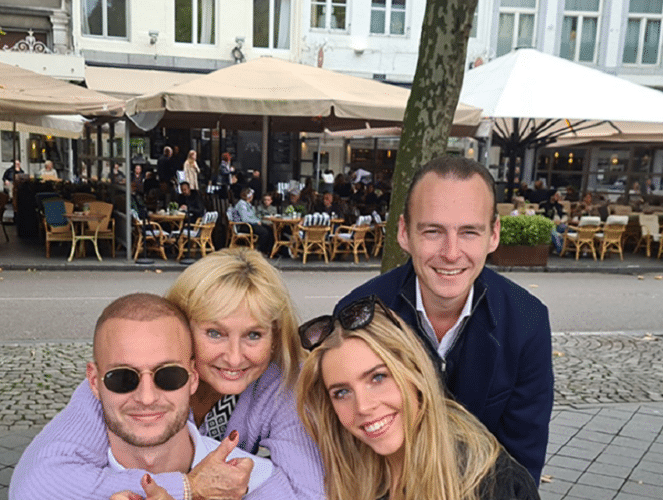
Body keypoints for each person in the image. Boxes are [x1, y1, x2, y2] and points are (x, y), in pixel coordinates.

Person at [13, 251, 324, 500]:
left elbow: (309, 493)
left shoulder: (282, 382)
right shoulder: (122, 383)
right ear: (184, 328)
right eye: (214, 333)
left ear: (274, 339)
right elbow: (37, 484)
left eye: (253, 335)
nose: (234, 357)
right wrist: (188, 487)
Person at [336, 156, 553, 485]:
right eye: (433, 231)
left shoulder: (527, 321)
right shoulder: (358, 314)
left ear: (493, 235)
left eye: (469, 232)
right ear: (404, 233)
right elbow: (347, 449)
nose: (451, 253)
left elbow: (521, 464)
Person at [10, 293, 274, 500]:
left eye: (168, 375)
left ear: (193, 377)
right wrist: (187, 488)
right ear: (93, 382)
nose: (147, 397)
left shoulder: (257, 481)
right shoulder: (55, 488)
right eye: (123, 378)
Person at [297, 296, 540, 500]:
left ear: (415, 372)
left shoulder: (492, 485)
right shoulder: (344, 472)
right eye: (341, 392)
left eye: (378, 378)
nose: (362, 406)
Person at [230, 188, 273, 254]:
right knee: (264, 232)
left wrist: (258, 221)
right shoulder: (242, 205)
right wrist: (256, 222)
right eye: (252, 195)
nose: (252, 197)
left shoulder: (248, 204)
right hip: (244, 226)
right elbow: (245, 219)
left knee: (269, 229)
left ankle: (269, 251)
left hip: (251, 224)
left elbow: (253, 216)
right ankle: (259, 251)